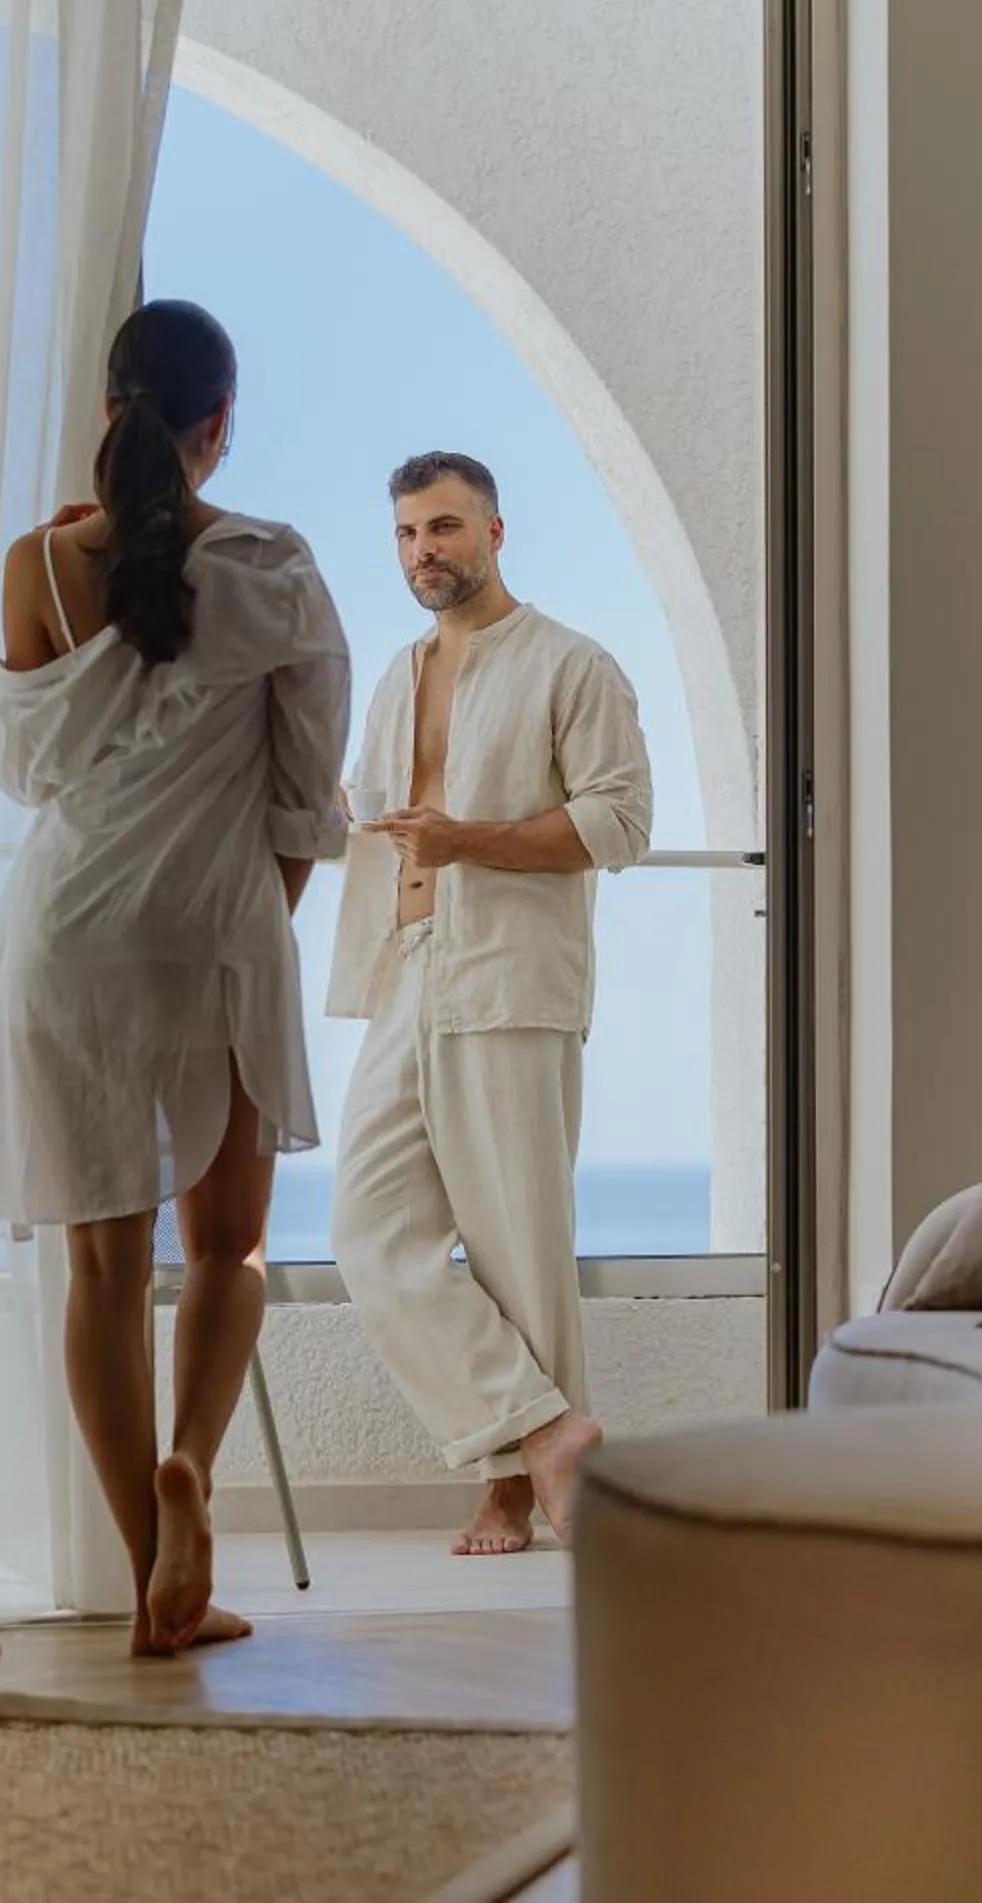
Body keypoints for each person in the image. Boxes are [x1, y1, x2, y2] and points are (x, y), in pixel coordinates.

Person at [0, 301, 352, 1654]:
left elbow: (26, 772)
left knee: (100, 1268)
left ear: (109, 410)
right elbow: (310, 799)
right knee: (228, 1247)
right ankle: (193, 1460)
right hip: (217, 933)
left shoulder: (38, 564)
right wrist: (254, 917)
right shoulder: (278, 567)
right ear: (219, 425)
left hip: (65, 942)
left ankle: (149, 1571)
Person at [327, 451, 652, 1555]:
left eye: (448, 527)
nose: (428, 550)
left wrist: (468, 841)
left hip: (513, 975)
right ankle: (551, 1430)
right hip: (404, 969)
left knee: (521, 1243)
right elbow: (375, 817)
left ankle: (510, 1487)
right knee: (369, 1229)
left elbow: (620, 822)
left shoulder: (573, 664)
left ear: (498, 531)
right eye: (412, 533)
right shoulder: (396, 675)